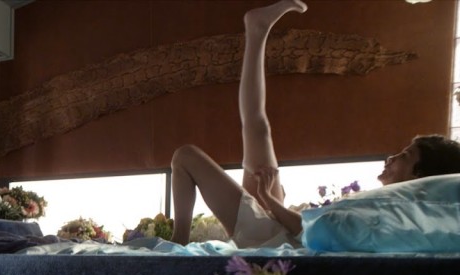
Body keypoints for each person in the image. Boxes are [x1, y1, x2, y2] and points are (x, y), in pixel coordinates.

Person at [169, 0, 460, 247]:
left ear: (418, 175)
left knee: (186, 156)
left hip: (273, 239)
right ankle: (257, 31)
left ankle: (177, 246)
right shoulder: (395, 208)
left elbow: (312, 231)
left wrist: (269, 200)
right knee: (257, 126)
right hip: (278, 231)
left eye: (404, 156)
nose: (391, 158)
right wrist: (273, 203)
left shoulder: (395, 211)